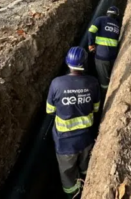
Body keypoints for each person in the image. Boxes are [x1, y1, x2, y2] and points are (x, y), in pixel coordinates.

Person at [46, 47, 100, 198]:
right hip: (86, 138)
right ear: (85, 63)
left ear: (67, 62)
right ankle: (86, 183)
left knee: (67, 173)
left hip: (64, 143)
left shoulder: (56, 83)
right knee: (85, 166)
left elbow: (50, 110)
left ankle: (74, 194)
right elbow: (96, 108)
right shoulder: (93, 82)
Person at [88, 6, 121, 91]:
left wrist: (91, 45)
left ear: (107, 13)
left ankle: (103, 95)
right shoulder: (117, 25)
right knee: (110, 75)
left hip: (101, 56)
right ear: (117, 15)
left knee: (104, 81)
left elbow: (91, 31)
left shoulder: (100, 19)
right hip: (114, 56)